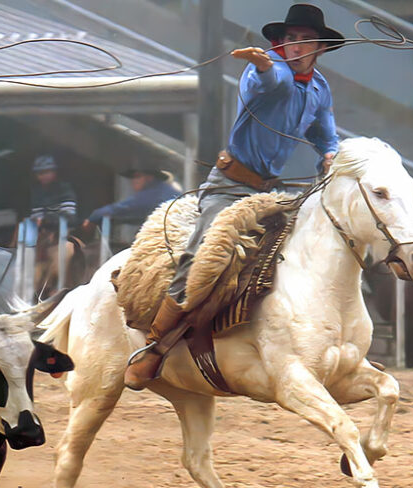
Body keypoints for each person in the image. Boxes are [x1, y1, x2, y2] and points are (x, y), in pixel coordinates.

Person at [124, 3, 343, 390]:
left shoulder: (319, 89)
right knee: (202, 257)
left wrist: (328, 153)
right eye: (290, 39)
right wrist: (260, 64)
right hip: (229, 184)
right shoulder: (267, 68)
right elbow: (270, 84)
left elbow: (323, 132)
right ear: (281, 42)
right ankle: (154, 347)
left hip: (268, 190)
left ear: (320, 48)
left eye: (305, 40)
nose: (296, 46)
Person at [82, 166, 181, 229]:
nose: (133, 181)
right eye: (132, 178)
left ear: (150, 178)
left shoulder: (154, 193)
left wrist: (94, 217)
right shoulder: (165, 190)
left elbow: (123, 207)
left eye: (137, 176)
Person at [28, 155, 78, 227]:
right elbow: (36, 216)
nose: (43, 176)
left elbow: (69, 216)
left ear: (54, 172)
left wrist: (47, 220)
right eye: (40, 173)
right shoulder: (37, 191)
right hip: (43, 230)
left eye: (47, 172)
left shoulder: (64, 189)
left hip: (65, 229)